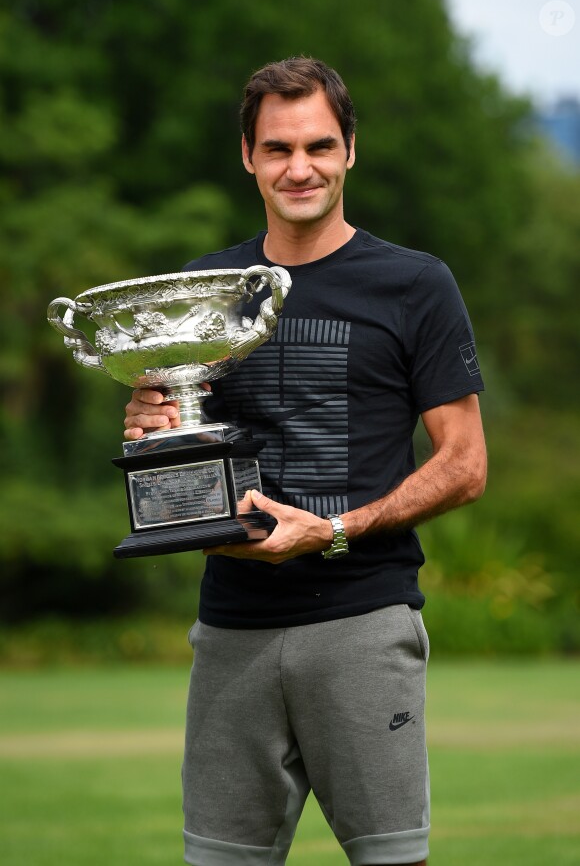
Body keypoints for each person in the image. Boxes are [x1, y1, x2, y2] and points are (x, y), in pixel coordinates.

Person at [125, 57, 487, 866]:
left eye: (319, 145)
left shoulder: (415, 285)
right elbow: (181, 454)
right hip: (231, 628)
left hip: (362, 620)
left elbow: (464, 463)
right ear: (247, 156)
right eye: (278, 148)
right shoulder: (203, 291)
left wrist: (331, 530)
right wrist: (154, 425)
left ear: (350, 150)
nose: (300, 167)